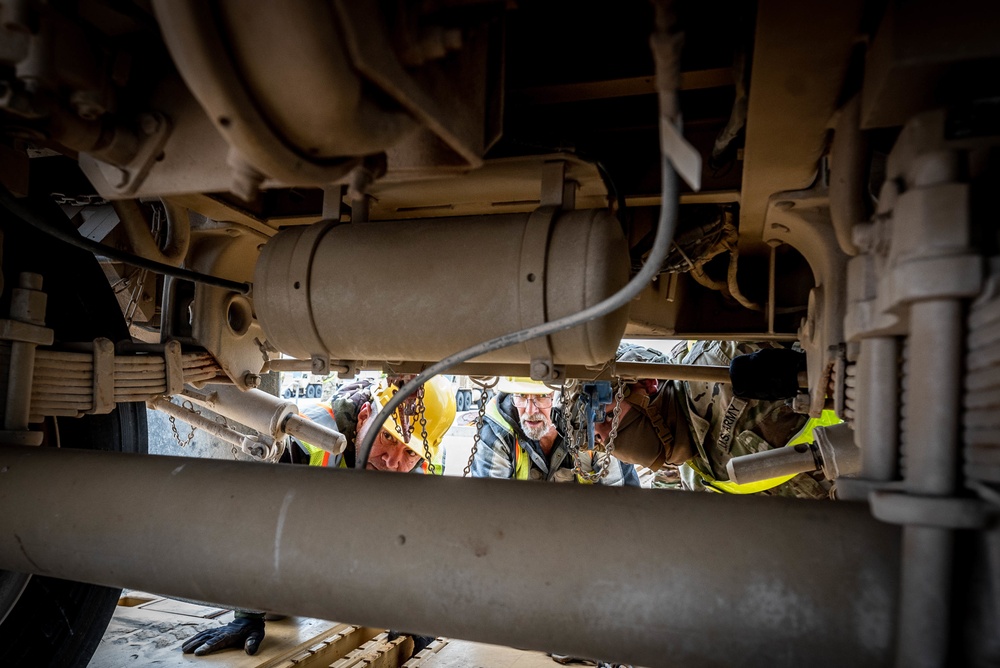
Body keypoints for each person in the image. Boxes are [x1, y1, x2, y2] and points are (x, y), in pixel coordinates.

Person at [180, 375, 457, 658]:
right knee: (276, 611)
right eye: (387, 437)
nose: (392, 461)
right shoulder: (309, 435)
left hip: (358, 554)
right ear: (364, 417)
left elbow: (418, 540)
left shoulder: (426, 457)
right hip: (300, 551)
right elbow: (258, 523)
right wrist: (247, 617)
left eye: (409, 452)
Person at [596, 341, 836, 499]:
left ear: (647, 384)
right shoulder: (693, 468)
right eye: (596, 438)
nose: (607, 441)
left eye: (607, 417)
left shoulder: (724, 367)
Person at [470, 376, 641, 486]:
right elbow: (489, 510)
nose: (530, 410)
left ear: (562, 396)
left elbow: (620, 500)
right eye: (521, 395)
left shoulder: (594, 427)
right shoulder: (498, 431)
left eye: (542, 396)